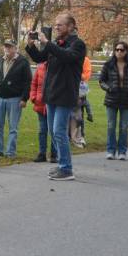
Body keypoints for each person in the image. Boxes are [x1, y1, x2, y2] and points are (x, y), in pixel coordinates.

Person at [26, 13, 86, 181]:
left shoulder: (78, 44)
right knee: (53, 131)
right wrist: (30, 46)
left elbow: (66, 57)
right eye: (56, 25)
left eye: (60, 25)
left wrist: (47, 43)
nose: (57, 27)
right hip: (51, 93)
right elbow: (40, 58)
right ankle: (62, 164)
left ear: (71, 26)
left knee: (59, 131)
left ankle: (66, 169)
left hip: (65, 94)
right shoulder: (56, 44)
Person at [0, 39, 31, 158]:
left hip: (15, 99)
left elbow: (27, 82)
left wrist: (24, 99)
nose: (7, 49)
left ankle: (11, 152)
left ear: (15, 48)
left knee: (13, 127)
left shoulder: (23, 62)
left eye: (10, 47)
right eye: (6, 47)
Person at [99, 41, 128, 160]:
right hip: (112, 99)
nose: (119, 52)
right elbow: (102, 81)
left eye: (121, 50)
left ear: (126, 51)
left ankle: (122, 151)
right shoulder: (108, 65)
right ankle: (110, 150)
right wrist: (109, 88)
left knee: (123, 126)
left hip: (126, 99)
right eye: (117, 49)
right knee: (111, 125)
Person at [30, 62, 57, 163]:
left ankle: (54, 154)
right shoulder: (40, 67)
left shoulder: (58, 66)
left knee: (54, 131)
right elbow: (34, 83)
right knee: (42, 130)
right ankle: (42, 154)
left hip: (54, 104)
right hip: (40, 104)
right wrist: (33, 97)